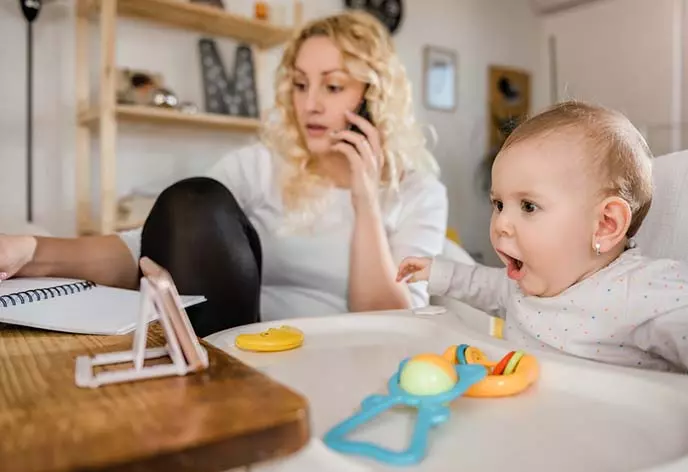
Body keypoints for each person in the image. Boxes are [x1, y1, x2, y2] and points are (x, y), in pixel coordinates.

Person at [0, 11, 448, 337]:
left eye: (332, 87)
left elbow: (389, 320)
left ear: (375, 96)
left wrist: (364, 200)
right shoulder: (262, 163)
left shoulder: (419, 192)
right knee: (194, 200)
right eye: (298, 83)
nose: (309, 104)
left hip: (340, 351)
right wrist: (30, 252)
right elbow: (156, 243)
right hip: (237, 339)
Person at [398, 100, 688, 376]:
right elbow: (484, 285)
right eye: (498, 204)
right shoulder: (525, 284)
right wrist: (436, 272)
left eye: (528, 206)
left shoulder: (644, 290)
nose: (501, 224)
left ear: (606, 224)